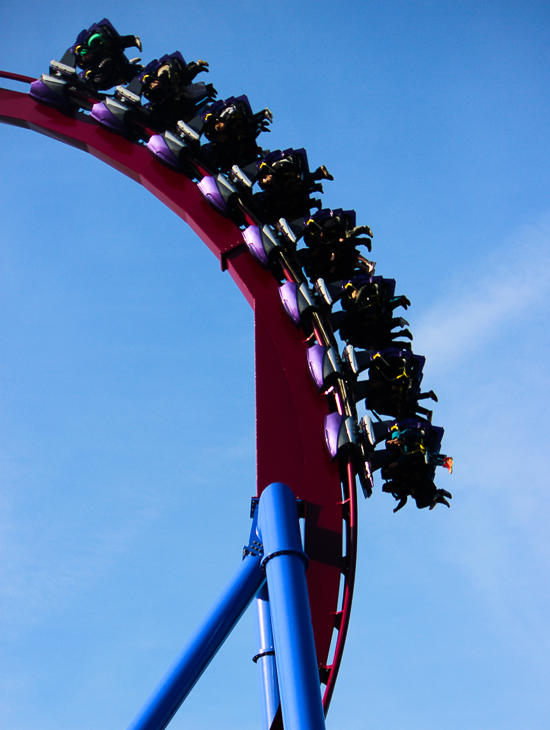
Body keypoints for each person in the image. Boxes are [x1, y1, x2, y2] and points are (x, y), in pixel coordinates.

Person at [71, 19, 142, 90]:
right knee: (116, 70)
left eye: (87, 57)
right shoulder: (89, 60)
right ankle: (134, 66)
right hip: (111, 58)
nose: (90, 57)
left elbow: (113, 41)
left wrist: (132, 40)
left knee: (114, 45)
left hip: (106, 38)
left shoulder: (92, 44)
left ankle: (134, 41)